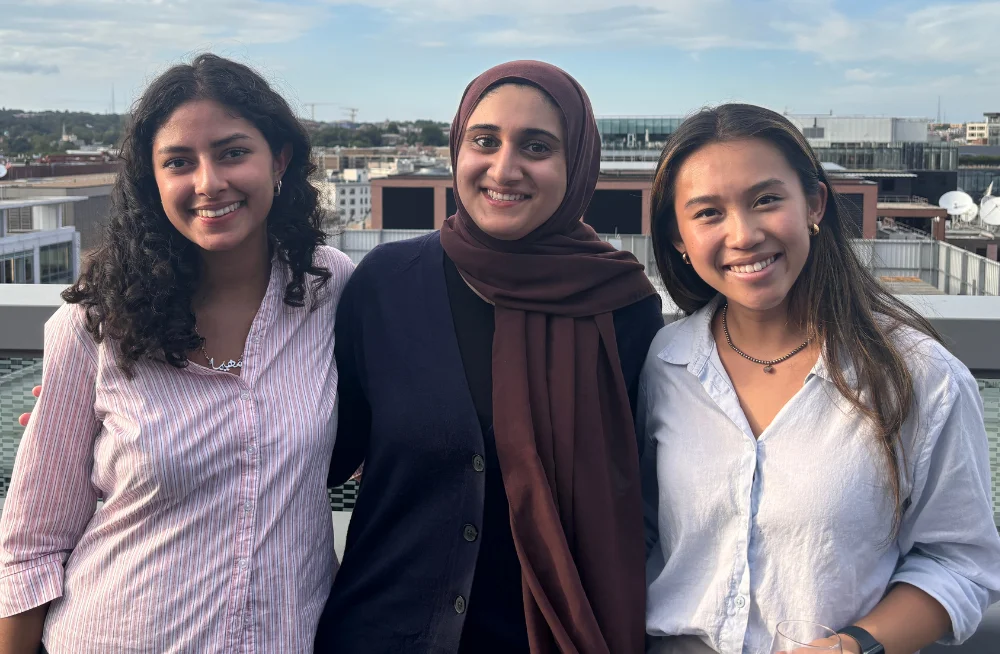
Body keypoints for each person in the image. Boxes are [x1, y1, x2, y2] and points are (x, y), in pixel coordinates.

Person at [0, 54, 353, 653]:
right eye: (179, 162)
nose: (209, 182)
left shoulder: (330, 290)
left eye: (233, 152)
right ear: (153, 179)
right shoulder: (93, 327)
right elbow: (30, 545)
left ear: (281, 160)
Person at [313, 61, 663, 653]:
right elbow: (312, 460)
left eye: (536, 146)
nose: (504, 168)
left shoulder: (622, 308)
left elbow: (655, 499)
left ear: (576, 162)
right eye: (484, 141)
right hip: (380, 633)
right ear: (458, 148)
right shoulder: (385, 286)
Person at [639, 103, 1000, 654]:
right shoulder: (665, 362)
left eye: (766, 200)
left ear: (814, 204)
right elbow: (642, 530)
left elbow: (962, 562)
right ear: (679, 240)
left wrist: (855, 646)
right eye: (708, 213)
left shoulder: (922, 376)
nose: (743, 234)